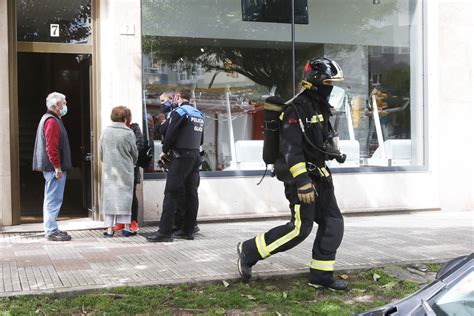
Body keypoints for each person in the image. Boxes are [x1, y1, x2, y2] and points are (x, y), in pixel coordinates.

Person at [237, 57, 348, 290]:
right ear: (316, 82)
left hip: (321, 176)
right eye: (329, 83)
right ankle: (248, 250)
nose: (331, 88)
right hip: (301, 181)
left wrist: (331, 151)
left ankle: (321, 276)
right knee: (299, 229)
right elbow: (291, 151)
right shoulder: (295, 110)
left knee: (333, 223)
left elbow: (320, 140)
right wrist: (302, 182)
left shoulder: (320, 107)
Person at [146, 87, 204, 242]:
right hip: (195, 156)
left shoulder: (179, 112)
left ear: (177, 96)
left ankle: (164, 233)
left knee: (171, 193)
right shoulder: (199, 114)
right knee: (192, 194)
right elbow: (202, 140)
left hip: (180, 156)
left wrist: (164, 150)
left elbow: (170, 133)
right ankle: (188, 231)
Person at [32, 92, 72, 241]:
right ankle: (51, 230)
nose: (65, 105)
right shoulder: (52, 121)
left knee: (53, 198)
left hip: (51, 167)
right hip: (53, 168)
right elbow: (51, 147)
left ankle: (52, 228)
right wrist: (57, 167)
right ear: (57, 105)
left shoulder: (52, 119)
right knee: (53, 199)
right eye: (64, 103)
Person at [100, 106, 138, 237]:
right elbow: (134, 153)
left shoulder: (106, 131)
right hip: (125, 170)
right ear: (126, 118)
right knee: (125, 198)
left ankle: (109, 229)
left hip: (109, 170)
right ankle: (126, 228)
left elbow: (101, 152)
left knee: (109, 198)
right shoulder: (128, 133)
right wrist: (132, 163)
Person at [113, 108, 144, 233]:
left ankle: (133, 221)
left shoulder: (134, 128)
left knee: (131, 196)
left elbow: (139, 145)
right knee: (118, 195)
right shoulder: (114, 129)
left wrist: (125, 154)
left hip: (131, 168)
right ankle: (120, 221)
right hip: (117, 169)